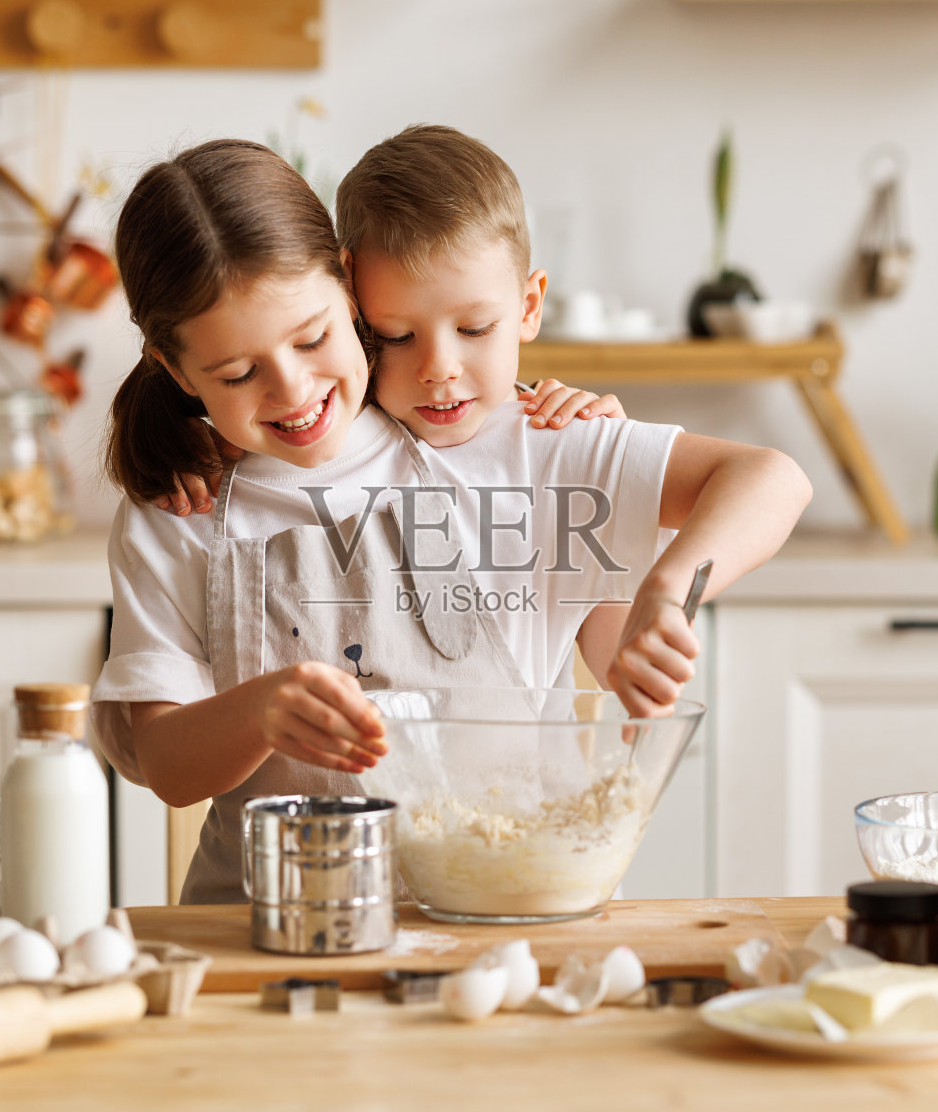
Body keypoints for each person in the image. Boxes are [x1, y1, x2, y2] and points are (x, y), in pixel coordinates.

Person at [92, 135, 811, 903]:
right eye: (237, 373)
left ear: (348, 289)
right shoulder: (179, 507)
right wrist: (262, 712)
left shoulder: (515, 442)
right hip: (266, 934)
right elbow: (166, 767)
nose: (293, 389)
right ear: (174, 368)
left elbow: (771, 478)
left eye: (313, 339)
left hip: (503, 913)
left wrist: (663, 592)